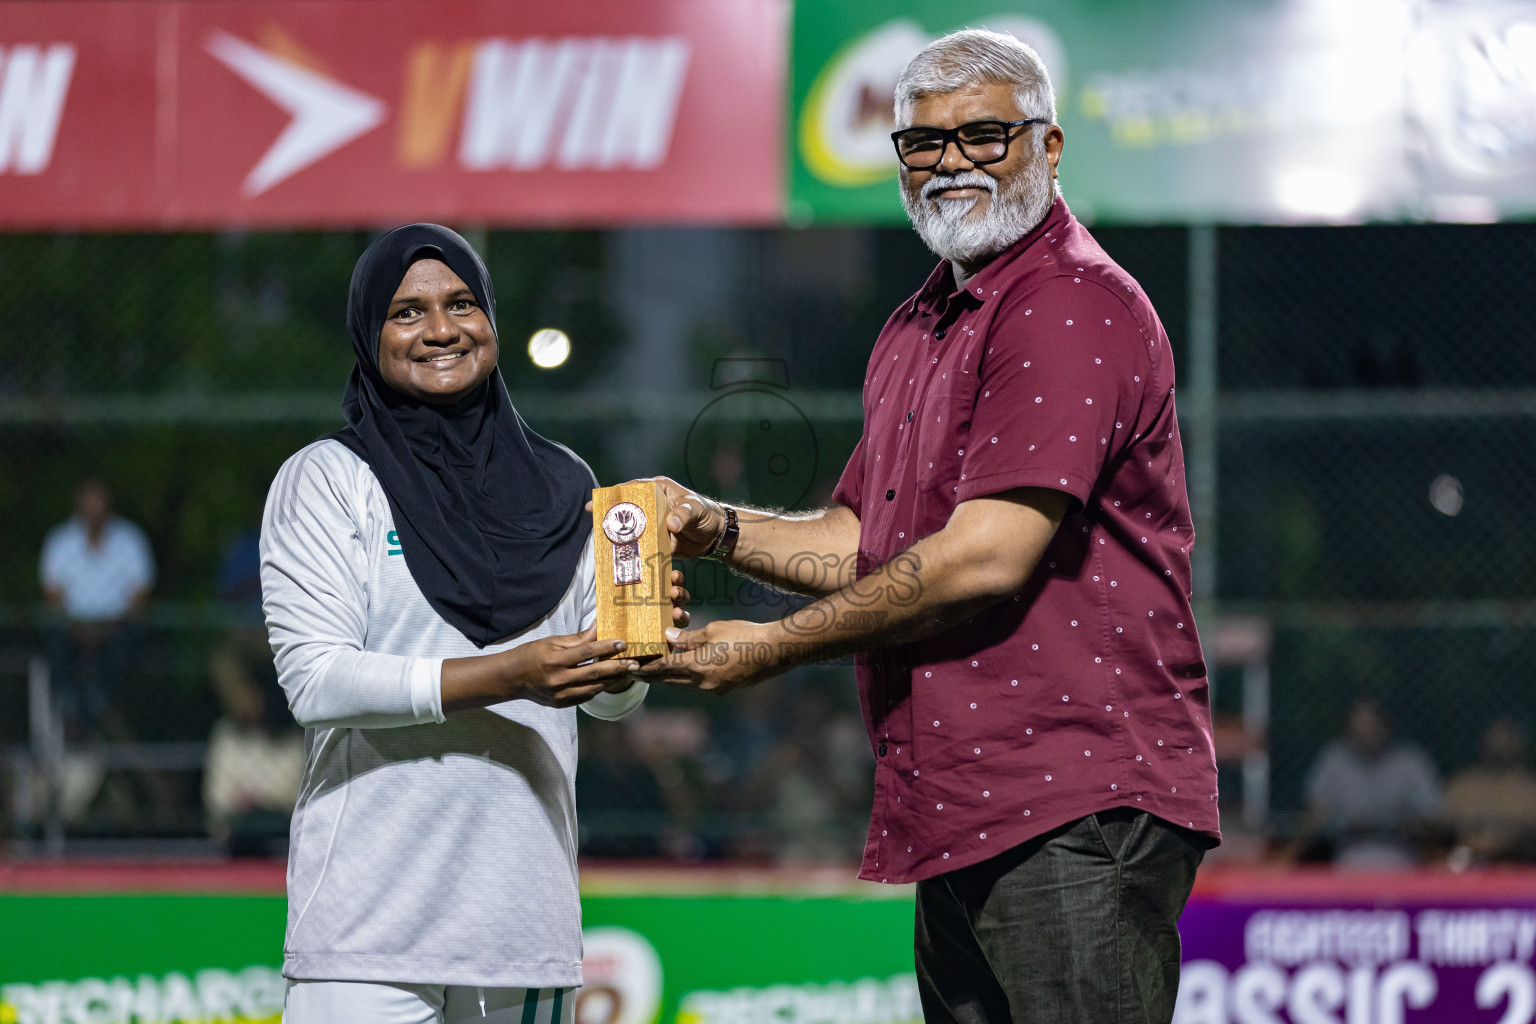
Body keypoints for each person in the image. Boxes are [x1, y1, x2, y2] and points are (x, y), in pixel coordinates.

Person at [636, 30, 1218, 1024]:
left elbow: (985, 558)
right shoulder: (920, 324)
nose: (951, 162)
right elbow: (864, 545)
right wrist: (710, 526)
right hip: (971, 799)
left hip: (1075, 797)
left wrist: (767, 650)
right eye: (923, 143)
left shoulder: (1069, 302)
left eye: (985, 134)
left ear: (1052, 146)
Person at [262, 224, 687, 1023]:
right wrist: (510, 673)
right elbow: (315, 679)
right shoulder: (327, 480)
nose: (441, 329)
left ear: (491, 316)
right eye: (406, 312)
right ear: (368, 333)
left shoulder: (569, 485)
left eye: (461, 303)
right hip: (365, 936)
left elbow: (604, 702)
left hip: (521, 928)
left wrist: (635, 659)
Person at [40, 478, 155, 738]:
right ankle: (71, 708)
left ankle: (96, 706)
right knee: (55, 644)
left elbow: (139, 596)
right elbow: (53, 597)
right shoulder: (60, 541)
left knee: (123, 645)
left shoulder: (130, 540)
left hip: (116, 627)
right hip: (72, 628)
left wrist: (108, 627)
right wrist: (79, 628)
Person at [1301, 697, 1440, 868]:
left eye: (1372, 725)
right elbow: (1317, 811)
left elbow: (1431, 814)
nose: (1366, 733)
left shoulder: (1410, 761)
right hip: (1348, 851)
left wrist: (1400, 823)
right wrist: (1344, 822)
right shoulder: (1334, 760)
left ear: (1385, 726)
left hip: (1399, 852)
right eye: (1359, 726)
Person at [1442, 718, 1536, 864]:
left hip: (1514, 859)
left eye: (1505, 744)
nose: (1498, 749)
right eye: (1493, 744)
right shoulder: (1464, 783)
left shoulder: (1528, 787)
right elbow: (1444, 824)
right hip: (1464, 856)